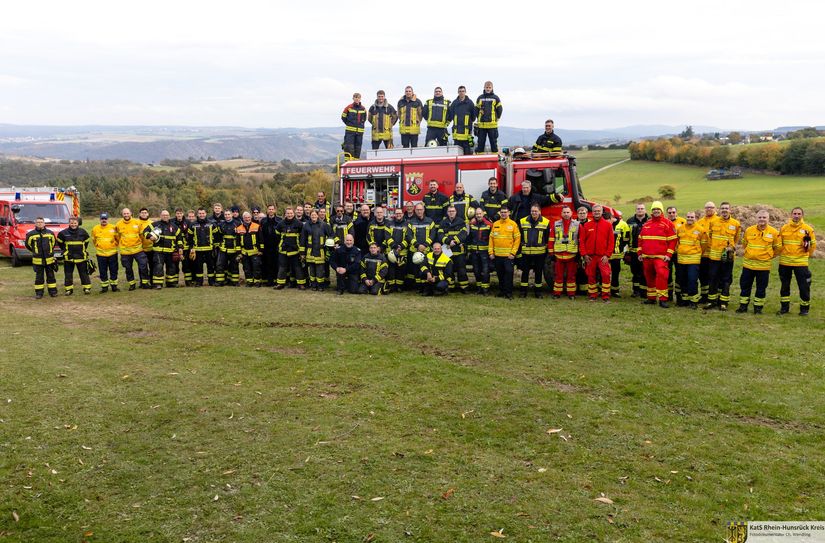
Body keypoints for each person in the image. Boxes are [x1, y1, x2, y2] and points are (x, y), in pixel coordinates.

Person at [736, 209, 781, 314]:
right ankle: (743, 306)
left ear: (768, 219)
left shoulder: (774, 232)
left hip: (763, 266)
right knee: (745, 286)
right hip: (748, 265)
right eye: (760, 217)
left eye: (764, 217)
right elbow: (744, 243)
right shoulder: (749, 230)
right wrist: (750, 253)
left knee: (761, 288)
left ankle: (758, 308)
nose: (762, 219)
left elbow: (778, 248)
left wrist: (769, 256)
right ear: (756, 218)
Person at [638, 201, 677, 308]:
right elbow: (640, 239)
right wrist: (640, 253)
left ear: (661, 210)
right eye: (654, 209)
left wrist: (668, 255)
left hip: (660, 257)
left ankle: (663, 299)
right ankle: (651, 298)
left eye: (658, 209)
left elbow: (673, 241)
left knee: (662, 276)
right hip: (646, 257)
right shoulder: (647, 224)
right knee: (649, 278)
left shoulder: (668, 223)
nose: (656, 211)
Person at [778, 207, 816, 316]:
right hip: (785, 262)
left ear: (802, 215)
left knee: (804, 286)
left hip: (800, 263)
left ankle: (804, 309)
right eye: (794, 213)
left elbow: (813, 245)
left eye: (799, 214)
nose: (796, 215)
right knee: (784, 286)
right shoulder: (784, 228)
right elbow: (779, 244)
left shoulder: (808, 229)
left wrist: (806, 255)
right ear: (791, 215)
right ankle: (784, 308)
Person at [704, 202, 741, 311]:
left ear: (730, 210)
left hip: (728, 257)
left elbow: (736, 238)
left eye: (726, 208)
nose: (724, 210)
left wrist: (731, 247)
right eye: (723, 208)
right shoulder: (713, 222)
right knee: (713, 278)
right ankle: (711, 301)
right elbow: (710, 236)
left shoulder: (736, 224)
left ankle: (723, 302)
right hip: (714, 257)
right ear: (720, 210)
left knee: (726, 279)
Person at [579, 204, 614, 302]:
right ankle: (592, 295)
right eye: (595, 211)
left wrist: (607, 255)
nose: (597, 212)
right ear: (592, 212)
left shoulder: (608, 225)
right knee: (591, 275)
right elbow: (582, 242)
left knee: (606, 275)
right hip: (590, 257)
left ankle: (605, 296)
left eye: (598, 211)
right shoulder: (587, 225)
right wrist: (584, 255)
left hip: (603, 256)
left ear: (602, 212)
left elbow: (611, 242)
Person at [675, 211, 707, 309]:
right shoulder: (680, 229)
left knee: (692, 280)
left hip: (693, 260)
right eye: (688, 217)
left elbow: (704, 245)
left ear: (695, 218)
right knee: (682, 280)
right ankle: (685, 300)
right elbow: (677, 242)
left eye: (692, 217)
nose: (690, 218)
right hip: (681, 259)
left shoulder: (700, 230)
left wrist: (698, 253)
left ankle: (693, 301)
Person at [518, 204, 550, 298]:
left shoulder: (546, 222)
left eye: (536, 211)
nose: (534, 213)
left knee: (539, 273)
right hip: (526, 253)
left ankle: (538, 292)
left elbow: (547, 238)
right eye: (532, 211)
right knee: (525, 272)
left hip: (540, 253)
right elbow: (519, 237)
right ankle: (523, 292)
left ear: (540, 212)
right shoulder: (522, 221)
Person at [146, 210, 183, 289]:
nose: (165, 216)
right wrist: (150, 236)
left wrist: (180, 247)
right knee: (158, 267)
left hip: (170, 251)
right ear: (160, 216)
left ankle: (171, 283)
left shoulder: (174, 226)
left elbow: (179, 238)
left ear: (169, 216)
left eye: (167, 215)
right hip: (159, 251)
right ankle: (157, 284)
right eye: (163, 215)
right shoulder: (155, 224)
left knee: (171, 267)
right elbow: (145, 231)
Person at [489, 205, 520, 299]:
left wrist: (513, 253)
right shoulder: (495, 224)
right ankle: (502, 291)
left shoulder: (513, 224)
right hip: (497, 255)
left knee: (509, 274)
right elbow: (491, 239)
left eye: (505, 212)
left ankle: (509, 293)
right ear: (499, 213)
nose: (503, 214)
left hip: (508, 256)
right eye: (502, 212)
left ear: (509, 213)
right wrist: (491, 252)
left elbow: (517, 239)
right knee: (500, 274)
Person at [548, 206, 579, 299]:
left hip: (571, 255)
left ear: (571, 213)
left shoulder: (577, 225)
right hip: (558, 255)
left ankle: (571, 294)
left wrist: (579, 254)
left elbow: (580, 240)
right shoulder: (555, 224)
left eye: (567, 212)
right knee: (558, 276)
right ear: (561, 213)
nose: (566, 214)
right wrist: (551, 254)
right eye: (564, 212)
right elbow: (551, 239)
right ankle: (557, 293)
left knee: (571, 276)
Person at [55, 216, 91, 295]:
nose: (73, 224)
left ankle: (87, 288)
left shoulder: (83, 232)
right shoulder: (63, 233)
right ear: (69, 223)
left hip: (81, 257)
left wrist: (82, 250)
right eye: (71, 223)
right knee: (68, 274)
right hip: (69, 257)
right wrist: (65, 251)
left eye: (75, 223)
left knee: (84, 274)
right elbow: (60, 243)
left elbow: (86, 242)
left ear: (78, 223)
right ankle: (69, 289)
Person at [116, 207, 150, 291]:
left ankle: (144, 283)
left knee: (143, 266)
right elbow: (117, 237)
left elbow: (142, 235)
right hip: (125, 251)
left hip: (138, 249)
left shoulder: (137, 222)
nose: (126, 215)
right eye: (124, 213)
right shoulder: (118, 224)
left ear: (131, 213)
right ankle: (132, 284)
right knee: (128, 269)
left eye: (127, 213)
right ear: (122, 214)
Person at [301, 209, 333, 291]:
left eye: (315, 215)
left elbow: (331, 234)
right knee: (312, 270)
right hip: (310, 252)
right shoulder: (306, 226)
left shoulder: (324, 225)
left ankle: (320, 285)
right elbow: (303, 240)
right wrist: (302, 253)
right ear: (310, 216)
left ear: (318, 215)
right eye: (312, 215)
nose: (314, 216)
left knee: (320, 271)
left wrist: (331, 243)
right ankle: (313, 285)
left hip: (320, 252)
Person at [25, 217, 58, 298]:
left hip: (49, 259)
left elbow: (53, 243)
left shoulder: (50, 233)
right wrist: (35, 252)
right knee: (39, 277)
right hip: (38, 260)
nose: (40, 223)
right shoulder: (31, 234)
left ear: (44, 223)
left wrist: (49, 252)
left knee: (51, 276)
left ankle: (53, 292)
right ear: (35, 224)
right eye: (38, 222)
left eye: (41, 222)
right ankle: (39, 293)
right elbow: (28, 245)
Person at [405, 203, 436, 291]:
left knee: (425, 268)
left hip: (426, 250)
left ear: (424, 210)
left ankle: (425, 286)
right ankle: (417, 286)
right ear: (415, 210)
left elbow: (433, 234)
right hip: (414, 250)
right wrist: (417, 245)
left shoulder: (430, 221)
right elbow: (409, 235)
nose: (419, 211)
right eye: (417, 210)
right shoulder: (411, 222)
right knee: (415, 270)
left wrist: (425, 245)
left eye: (421, 209)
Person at [439, 205, 469, 292]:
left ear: (456, 212)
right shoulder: (443, 222)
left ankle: (464, 287)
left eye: (453, 211)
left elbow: (463, 234)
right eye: (449, 211)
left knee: (461, 270)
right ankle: (450, 286)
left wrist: (454, 241)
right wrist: (448, 241)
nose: (451, 213)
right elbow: (440, 235)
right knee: (449, 270)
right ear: (447, 213)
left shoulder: (461, 222)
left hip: (459, 251)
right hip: (447, 251)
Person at [275, 207, 306, 289]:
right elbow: (277, 235)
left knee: (297, 268)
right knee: (282, 267)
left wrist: (301, 250)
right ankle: (280, 284)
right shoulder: (280, 224)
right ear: (285, 214)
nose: (289, 215)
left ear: (294, 213)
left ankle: (301, 284)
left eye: (291, 213)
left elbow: (302, 237)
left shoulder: (299, 224)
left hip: (295, 250)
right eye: (288, 213)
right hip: (283, 250)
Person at [187, 208, 219, 287]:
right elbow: (189, 238)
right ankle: (199, 282)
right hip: (197, 250)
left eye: (203, 213)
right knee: (198, 267)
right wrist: (191, 248)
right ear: (197, 214)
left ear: (205, 213)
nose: (201, 215)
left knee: (211, 267)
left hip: (210, 249)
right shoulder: (192, 224)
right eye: (200, 213)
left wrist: (215, 248)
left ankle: (211, 282)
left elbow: (217, 236)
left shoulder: (212, 224)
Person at [696, 201, 718, 303]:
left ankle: (713, 296)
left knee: (714, 277)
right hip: (703, 255)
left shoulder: (719, 221)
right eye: (707, 207)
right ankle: (704, 296)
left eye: (711, 207)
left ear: (715, 208)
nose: (709, 209)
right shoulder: (700, 222)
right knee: (703, 276)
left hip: (714, 255)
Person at [91, 212, 119, 292]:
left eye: (105, 219)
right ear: (100, 219)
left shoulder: (113, 227)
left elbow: (118, 238)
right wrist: (99, 245)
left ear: (108, 219)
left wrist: (114, 244)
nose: (104, 220)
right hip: (101, 254)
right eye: (102, 219)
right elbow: (94, 239)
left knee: (114, 270)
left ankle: (114, 286)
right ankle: (104, 287)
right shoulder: (95, 228)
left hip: (112, 253)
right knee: (102, 271)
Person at [625, 203, 649, 297]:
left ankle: (644, 291)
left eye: (642, 208)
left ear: (645, 210)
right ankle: (636, 291)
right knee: (635, 272)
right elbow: (626, 238)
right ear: (635, 210)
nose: (640, 210)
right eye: (638, 208)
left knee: (645, 272)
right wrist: (626, 252)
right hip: (633, 252)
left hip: (645, 251)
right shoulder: (629, 221)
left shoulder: (649, 220)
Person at [468, 207, 492, 295]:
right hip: (474, 252)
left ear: (483, 214)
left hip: (485, 252)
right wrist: (469, 250)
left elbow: (491, 239)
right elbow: (469, 238)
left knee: (485, 271)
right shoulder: (472, 224)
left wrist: (491, 251)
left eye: (480, 214)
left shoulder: (489, 224)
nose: (478, 215)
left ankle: (485, 289)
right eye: (477, 214)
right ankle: (479, 288)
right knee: (476, 270)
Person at [474, 81, 503, 153]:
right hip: (482, 126)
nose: (488, 89)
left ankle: (495, 158)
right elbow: (476, 109)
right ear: (484, 88)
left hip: (492, 125)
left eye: (489, 87)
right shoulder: (480, 98)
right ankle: (480, 158)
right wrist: (479, 118)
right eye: (487, 87)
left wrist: (497, 118)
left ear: (492, 88)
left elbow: (500, 109)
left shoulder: (496, 98)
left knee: (494, 145)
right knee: (480, 144)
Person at [236, 211, 263, 287]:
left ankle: (257, 282)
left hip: (255, 251)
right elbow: (237, 241)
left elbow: (261, 239)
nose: (247, 219)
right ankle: (249, 282)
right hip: (244, 252)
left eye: (248, 217)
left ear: (251, 217)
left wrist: (261, 250)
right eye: (245, 218)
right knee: (246, 268)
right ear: (243, 218)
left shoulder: (256, 226)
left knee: (256, 267)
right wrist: (239, 253)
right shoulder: (239, 228)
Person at [385, 207, 409, 292]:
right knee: (391, 270)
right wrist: (395, 246)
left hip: (402, 251)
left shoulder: (407, 224)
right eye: (397, 213)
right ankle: (392, 286)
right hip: (391, 251)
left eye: (400, 213)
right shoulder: (389, 224)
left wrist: (401, 246)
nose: (398, 215)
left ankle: (399, 286)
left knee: (401, 270)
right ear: (394, 214)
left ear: (403, 214)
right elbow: (387, 236)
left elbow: (408, 237)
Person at [448, 85, 476, 155]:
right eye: (460, 91)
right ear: (458, 92)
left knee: (467, 154)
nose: (461, 93)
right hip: (456, 134)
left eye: (463, 91)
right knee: (457, 154)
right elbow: (450, 115)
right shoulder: (454, 103)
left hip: (467, 134)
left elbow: (473, 117)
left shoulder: (470, 103)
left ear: (465, 92)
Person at [666, 206, 686, 302]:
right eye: (669, 212)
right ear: (667, 214)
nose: (672, 214)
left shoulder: (683, 222)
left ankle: (679, 295)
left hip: (679, 253)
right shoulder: (664, 222)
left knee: (679, 274)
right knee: (667, 274)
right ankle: (669, 294)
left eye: (673, 212)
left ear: (676, 213)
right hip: (667, 253)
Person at [215, 209, 240, 286]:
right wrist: (218, 245)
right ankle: (220, 281)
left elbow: (240, 237)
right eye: (225, 215)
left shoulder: (238, 224)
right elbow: (218, 235)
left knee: (234, 265)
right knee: (220, 265)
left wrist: (239, 249)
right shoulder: (221, 224)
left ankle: (234, 282)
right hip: (223, 248)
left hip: (234, 248)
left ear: (232, 215)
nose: (227, 216)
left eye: (228, 214)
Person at [608, 210, 630, 298]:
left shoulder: (623, 225)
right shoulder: (605, 223)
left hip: (617, 254)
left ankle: (615, 290)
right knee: (603, 273)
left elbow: (626, 239)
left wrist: (621, 248)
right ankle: (602, 289)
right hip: (605, 254)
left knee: (615, 272)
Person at [259, 204, 282, 286]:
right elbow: (261, 234)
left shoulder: (279, 220)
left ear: (275, 210)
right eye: (269, 209)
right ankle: (268, 281)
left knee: (276, 264)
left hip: (276, 246)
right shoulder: (263, 221)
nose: (271, 211)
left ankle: (276, 280)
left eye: (272, 209)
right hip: (266, 246)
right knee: (267, 263)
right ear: (267, 210)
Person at [341, 92, 366, 159]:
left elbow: (364, 119)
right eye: (355, 97)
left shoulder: (363, 109)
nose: (357, 99)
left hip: (359, 133)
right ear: (353, 98)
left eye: (358, 98)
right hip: (350, 132)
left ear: (360, 99)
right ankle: (348, 162)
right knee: (349, 147)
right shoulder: (349, 107)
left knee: (358, 148)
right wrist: (349, 124)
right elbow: (343, 117)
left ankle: (356, 162)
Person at [137, 207, 154, 287]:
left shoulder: (152, 223)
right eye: (142, 213)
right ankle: (143, 282)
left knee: (152, 266)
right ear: (140, 214)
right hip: (141, 249)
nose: (144, 214)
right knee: (142, 267)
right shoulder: (136, 223)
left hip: (151, 249)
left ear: (148, 214)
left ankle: (152, 281)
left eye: (145, 213)